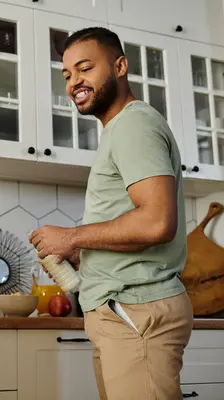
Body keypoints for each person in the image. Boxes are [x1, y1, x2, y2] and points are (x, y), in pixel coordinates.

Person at [29, 27, 193, 400]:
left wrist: (72, 237)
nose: (74, 83)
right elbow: (137, 219)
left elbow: (157, 221)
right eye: (68, 75)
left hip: (138, 309)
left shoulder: (134, 124)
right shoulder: (121, 129)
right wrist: (80, 249)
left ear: (120, 66)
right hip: (125, 311)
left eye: (85, 68)